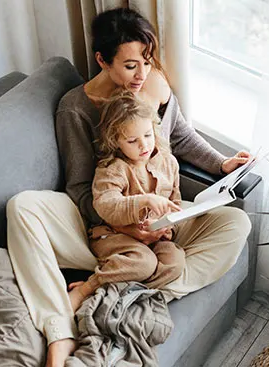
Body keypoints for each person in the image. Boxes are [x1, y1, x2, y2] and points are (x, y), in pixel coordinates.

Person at [6, 7, 252, 367]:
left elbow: (179, 137)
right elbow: (79, 190)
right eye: (130, 65)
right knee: (21, 206)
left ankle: (121, 292)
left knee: (236, 224)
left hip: (159, 219)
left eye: (147, 61)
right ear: (102, 60)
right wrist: (125, 223)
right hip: (106, 224)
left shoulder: (155, 86)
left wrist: (221, 163)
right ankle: (61, 327)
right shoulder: (75, 109)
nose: (142, 74)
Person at [66, 88, 186, 309]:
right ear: (116, 141)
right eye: (132, 140)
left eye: (148, 135)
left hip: (156, 238)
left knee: (175, 263)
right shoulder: (113, 169)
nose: (144, 146)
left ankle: (124, 294)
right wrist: (144, 201)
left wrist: (168, 228)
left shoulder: (169, 163)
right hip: (114, 236)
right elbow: (105, 204)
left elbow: (175, 203)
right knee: (144, 263)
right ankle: (87, 289)